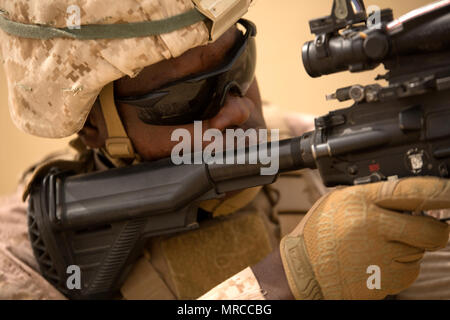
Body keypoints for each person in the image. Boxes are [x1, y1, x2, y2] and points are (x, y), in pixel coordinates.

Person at [0, 0, 448, 300]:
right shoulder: (21, 263)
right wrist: (291, 279)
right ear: (94, 126)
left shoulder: (320, 156)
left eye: (240, 66)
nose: (234, 110)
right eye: (184, 98)